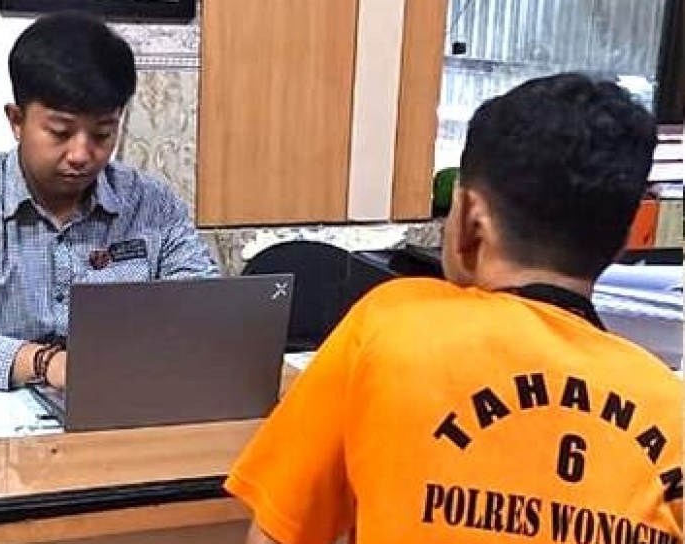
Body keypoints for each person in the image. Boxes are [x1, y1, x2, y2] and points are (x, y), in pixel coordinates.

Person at [226, 73, 682, 544]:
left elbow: (276, 537)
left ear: (470, 221)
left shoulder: (392, 327)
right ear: (625, 238)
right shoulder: (672, 410)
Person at [0, 12, 218, 391]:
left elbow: (205, 306)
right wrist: (44, 363)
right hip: (0, 414)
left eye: (102, 134)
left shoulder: (151, 204)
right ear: (16, 121)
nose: (81, 155)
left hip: (124, 399)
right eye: (60, 132)